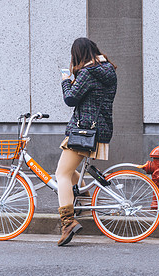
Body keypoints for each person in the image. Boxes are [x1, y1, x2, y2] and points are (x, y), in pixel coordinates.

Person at [56, 37, 117, 246]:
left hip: (84, 130)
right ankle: (83, 201)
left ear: (78, 55)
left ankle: (68, 222)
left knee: (61, 174)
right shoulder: (108, 69)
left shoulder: (88, 72)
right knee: (71, 170)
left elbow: (70, 99)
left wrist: (65, 79)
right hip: (100, 129)